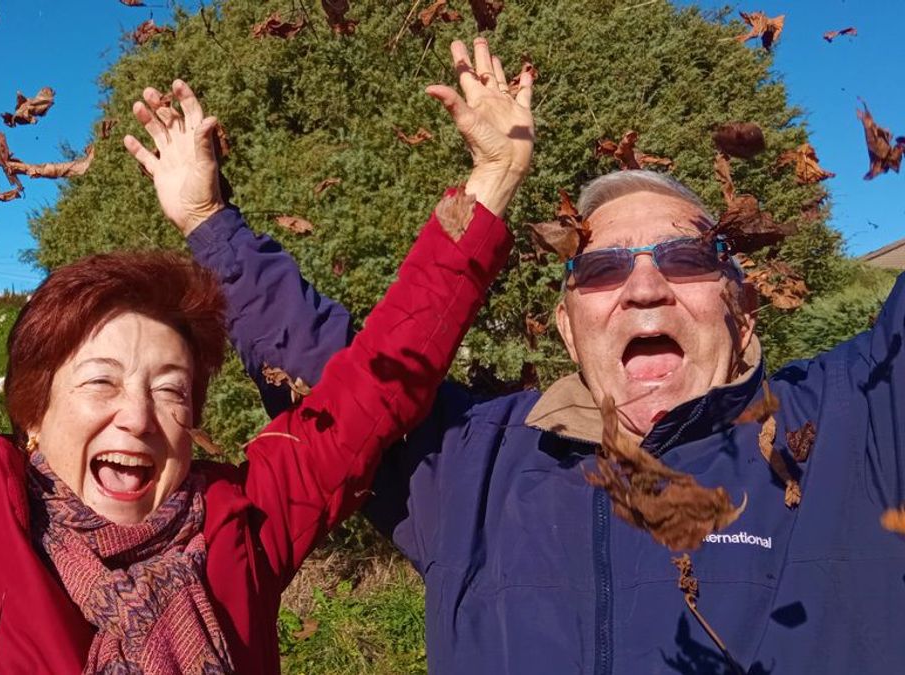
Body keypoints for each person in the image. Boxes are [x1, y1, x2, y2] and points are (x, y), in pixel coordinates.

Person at [0, 2, 531, 673]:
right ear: (31, 412)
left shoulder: (238, 527)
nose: (138, 415)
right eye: (99, 381)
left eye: (171, 389)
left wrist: (489, 187)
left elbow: (372, 391)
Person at [179, 77, 905, 675]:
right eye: (601, 268)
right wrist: (208, 220)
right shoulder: (473, 465)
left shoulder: (859, 423)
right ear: (567, 326)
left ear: (743, 307)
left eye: (684, 259)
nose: (644, 288)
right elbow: (337, 375)